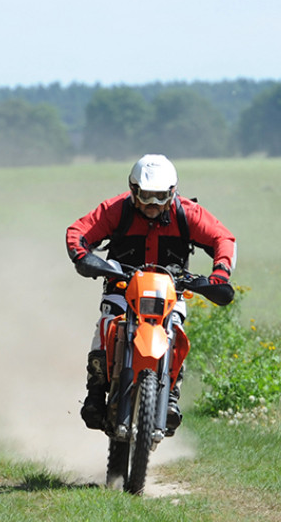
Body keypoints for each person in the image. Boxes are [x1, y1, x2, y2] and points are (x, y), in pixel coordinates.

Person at [66, 153, 237, 435]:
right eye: (146, 196)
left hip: (171, 290)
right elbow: (78, 230)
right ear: (133, 190)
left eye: (160, 197)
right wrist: (82, 256)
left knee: (177, 330)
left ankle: (170, 396)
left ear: (172, 192)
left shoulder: (188, 213)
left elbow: (223, 238)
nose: (152, 204)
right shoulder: (116, 210)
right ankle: (95, 393)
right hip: (122, 286)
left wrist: (220, 274)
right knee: (106, 324)